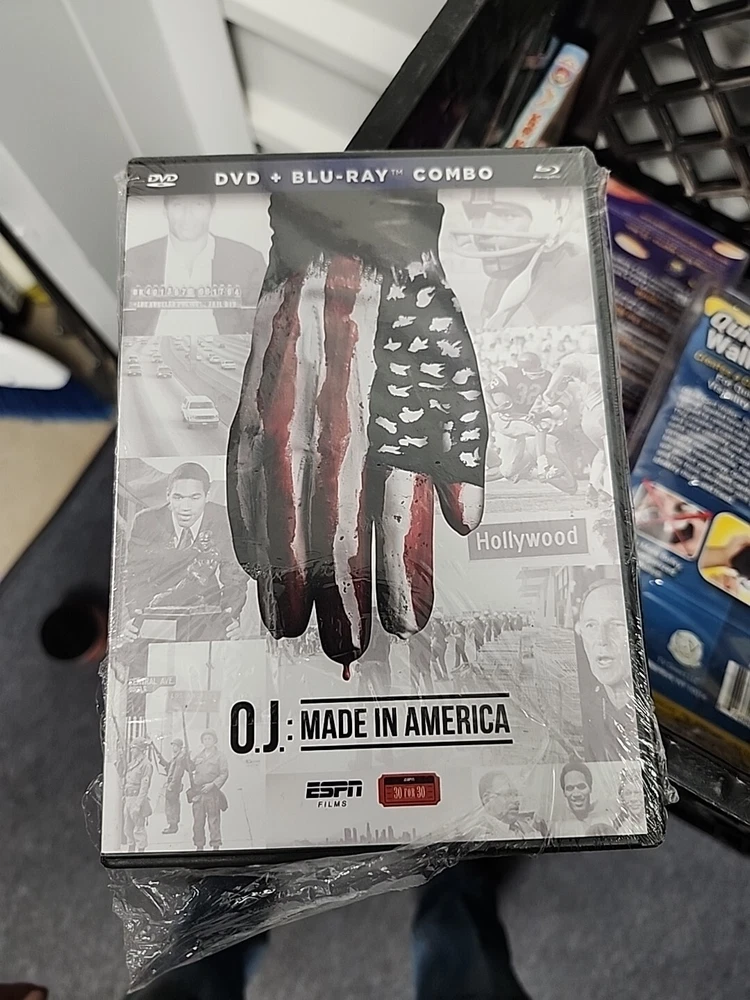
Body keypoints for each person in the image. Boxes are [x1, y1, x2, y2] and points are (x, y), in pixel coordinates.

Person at [122, 463, 249, 642]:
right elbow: (135, 574)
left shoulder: (224, 520)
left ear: (207, 496)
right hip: (159, 611)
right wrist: (136, 615)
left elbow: (234, 577)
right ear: (168, 495)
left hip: (205, 611)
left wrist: (230, 617)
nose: (185, 507)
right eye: (178, 497)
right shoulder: (146, 521)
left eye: (195, 498)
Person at [123, 193, 265, 338]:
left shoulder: (248, 261)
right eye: (178, 204)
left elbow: (261, 328)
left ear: (212, 209)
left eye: (198, 204)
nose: (188, 215)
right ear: (165, 210)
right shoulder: (134, 260)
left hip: (226, 351)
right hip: (151, 351)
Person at [575, 579, 637, 761]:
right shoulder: (584, 712)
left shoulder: (658, 713)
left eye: (616, 625)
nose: (602, 640)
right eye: (591, 626)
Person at [190, 729, 229, 851]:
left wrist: (212, 785)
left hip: (212, 793)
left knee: (213, 821)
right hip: (199, 793)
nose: (207, 741)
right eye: (205, 739)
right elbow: (190, 768)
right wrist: (186, 758)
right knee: (198, 822)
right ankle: (199, 846)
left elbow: (224, 774)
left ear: (214, 741)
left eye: (209, 739)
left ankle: (215, 846)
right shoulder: (198, 756)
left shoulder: (220, 756)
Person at [478, 771, 548, 839]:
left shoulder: (528, 827)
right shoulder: (481, 835)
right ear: (487, 800)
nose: (516, 801)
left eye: (516, 795)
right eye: (508, 794)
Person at [554, 761, 614, 838]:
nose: (576, 794)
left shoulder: (608, 818)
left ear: (590, 788)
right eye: (570, 788)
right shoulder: (558, 826)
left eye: (581, 787)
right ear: (564, 793)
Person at [123, 737, 153, 853]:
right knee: (127, 827)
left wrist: (138, 804)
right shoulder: (133, 763)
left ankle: (140, 852)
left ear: (140, 749)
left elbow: (144, 787)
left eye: (133, 748)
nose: (131, 750)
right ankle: (131, 849)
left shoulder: (146, 764)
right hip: (128, 798)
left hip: (137, 798)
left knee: (139, 828)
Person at [155, 737, 189, 835]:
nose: (173, 747)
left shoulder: (180, 758)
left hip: (174, 785)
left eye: (175, 745)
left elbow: (177, 774)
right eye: (173, 745)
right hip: (172, 784)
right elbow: (169, 766)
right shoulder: (176, 757)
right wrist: (160, 758)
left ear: (179, 747)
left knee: (172, 806)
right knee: (170, 805)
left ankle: (173, 826)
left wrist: (171, 785)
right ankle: (172, 825)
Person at [613, 768, 647, 835]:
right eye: (628, 793)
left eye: (637, 792)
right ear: (622, 798)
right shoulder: (620, 829)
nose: (633, 799)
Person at [408, 628, 434, 695]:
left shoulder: (422, 627)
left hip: (421, 653)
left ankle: (428, 694)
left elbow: (428, 639)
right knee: (418, 677)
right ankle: (415, 694)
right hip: (417, 653)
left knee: (424, 675)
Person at [429, 614, 450, 681]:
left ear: (435, 619)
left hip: (437, 644)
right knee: (441, 661)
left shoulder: (436, 626)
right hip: (443, 644)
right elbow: (446, 634)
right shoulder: (442, 626)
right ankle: (445, 676)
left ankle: (439, 676)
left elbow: (434, 635)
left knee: (433, 659)